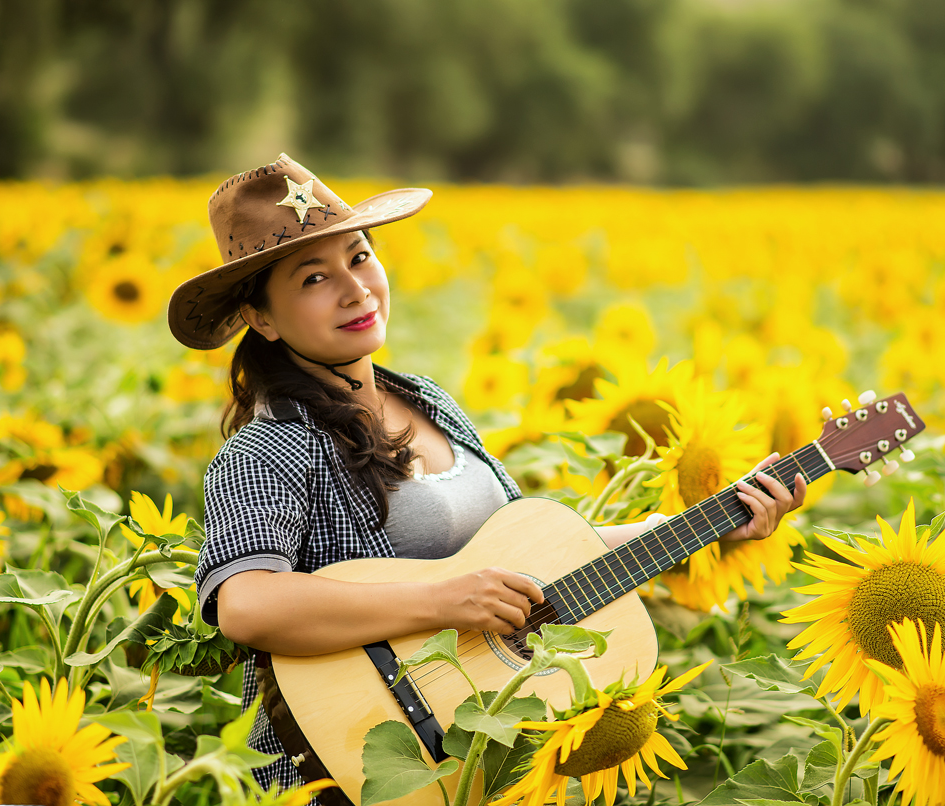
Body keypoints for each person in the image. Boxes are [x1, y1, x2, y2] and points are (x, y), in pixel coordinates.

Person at [167, 153, 806, 793]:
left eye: (360, 256)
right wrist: (443, 601)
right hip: (347, 774)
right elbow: (246, 604)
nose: (356, 288)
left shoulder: (426, 400)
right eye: (313, 278)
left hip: (489, 761)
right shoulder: (271, 448)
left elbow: (528, 566)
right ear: (262, 318)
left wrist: (699, 526)